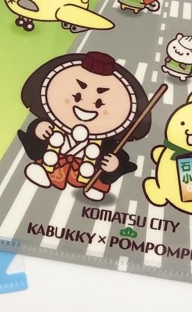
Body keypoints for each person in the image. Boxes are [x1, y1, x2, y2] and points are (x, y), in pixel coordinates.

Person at [17, 50, 150, 200]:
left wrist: (114, 165)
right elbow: (35, 139)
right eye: (77, 96)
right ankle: (43, 171)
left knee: (99, 171)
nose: (86, 106)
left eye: (100, 103)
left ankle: (95, 186)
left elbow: (117, 155)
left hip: (89, 171)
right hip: (54, 163)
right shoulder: (54, 125)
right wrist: (38, 130)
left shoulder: (106, 141)